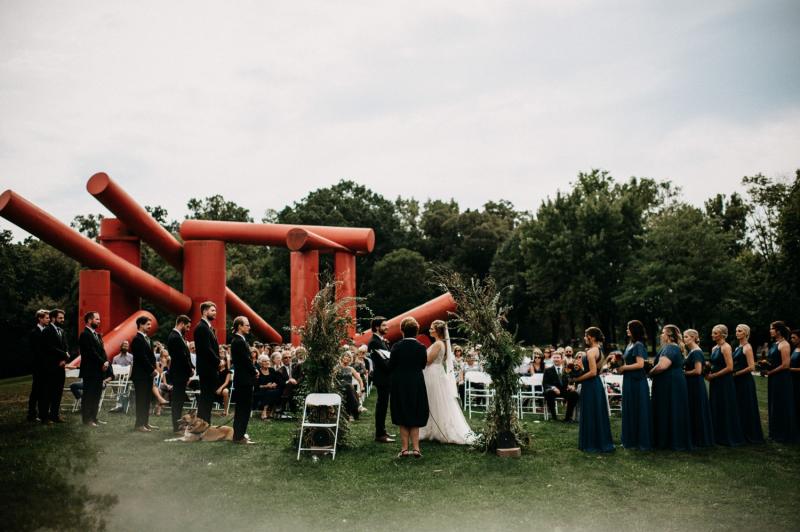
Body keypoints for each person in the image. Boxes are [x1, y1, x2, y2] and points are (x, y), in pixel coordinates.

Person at [419, 320, 475, 445]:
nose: (429, 330)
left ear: (437, 331)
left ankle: (439, 430)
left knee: (434, 401)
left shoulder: (438, 344)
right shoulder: (438, 343)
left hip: (433, 374)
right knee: (433, 401)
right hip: (435, 373)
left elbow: (428, 360)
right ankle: (430, 429)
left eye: (432, 328)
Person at [389, 317, 429, 458]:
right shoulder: (421, 347)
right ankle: (416, 449)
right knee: (415, 412)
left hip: (399, 383)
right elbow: (423, 365)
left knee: (402, 413)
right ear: (417, 331)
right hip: (416, 383)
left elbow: (391, 366)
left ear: (402, 331)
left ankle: (405, 449)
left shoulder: (396, 347)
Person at [649, 324, 692, 451]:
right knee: (669, 408)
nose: (661, 335)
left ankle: (670, 440)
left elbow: (662, 366)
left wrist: (650, 372)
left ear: (669, 335)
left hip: (670, 383)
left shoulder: (670, 348)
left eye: (663, 332)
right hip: (671, 381)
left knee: (669, 407)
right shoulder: (671, 347)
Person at [573, 327, 614, 452]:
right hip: (596, 384)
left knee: (591, 413)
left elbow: (592, 372)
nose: (585, 338)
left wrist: (577, 379)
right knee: (597, 412)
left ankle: (592, 443)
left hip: (591, 384)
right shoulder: (600, 350)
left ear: (592, 337)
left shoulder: (591, 352)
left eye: (586, 336)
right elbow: (599, 370)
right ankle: (600, 441)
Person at [617, 320, 652, 450]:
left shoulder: (638, 345)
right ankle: (629, 439)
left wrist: (624, 368)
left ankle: (640, 440)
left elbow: (640, 364)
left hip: (637, 381)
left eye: (628, 328)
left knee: (638, 408)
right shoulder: (630, 344)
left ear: (634, 330)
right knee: (630, 407)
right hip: (629, 379)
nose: (626, 330)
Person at [706, 324, 744, 446]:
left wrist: (714, 375)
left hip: (724, 381)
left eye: (715, 333)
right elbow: (714, 363)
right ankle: (717, 434)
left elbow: (730, 367)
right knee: (716, 405)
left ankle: (727, 435)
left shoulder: (726, 347)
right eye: (712, 332)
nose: (712, 335)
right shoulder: (714, 348)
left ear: (722, 334)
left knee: (725, 405)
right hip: (715, 381)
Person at [765, 321, 799, 442]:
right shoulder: (775, 344)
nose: (770, 331)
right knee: (774, 403)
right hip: (774, 377)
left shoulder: (784, 344)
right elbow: (775, 361)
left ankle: (783, 434)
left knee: (781, 404)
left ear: (778, 331)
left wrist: (771, 372)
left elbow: (785, 365)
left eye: (771, 328)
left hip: (781, 379)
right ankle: (775, 432)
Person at [732, 324, 764, 444]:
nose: (737, 333)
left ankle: (750, 433)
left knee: (746, 405)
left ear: (746, 333)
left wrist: (736, 373)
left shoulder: (747, 347)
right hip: (737, 380)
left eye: (739, 331)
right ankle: (740, 431)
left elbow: (752, 367)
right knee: (739, 405)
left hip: (744, 381)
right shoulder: (737, 348)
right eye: (736, 331)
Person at [683, 329, 714, 447]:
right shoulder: (692, 351)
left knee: (696, 408)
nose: (684, 339)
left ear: (692, 337)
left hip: (695, 384)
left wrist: (683, 373)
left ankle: (699, 438)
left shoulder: (696, 352)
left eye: (686, 337)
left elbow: (698, 371)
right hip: (691, 383)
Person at [39, 309, 69, 423]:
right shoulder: (47, 331)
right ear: (53, 318)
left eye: (63, 318)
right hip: (50, 367)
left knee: (58, 391)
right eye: (60, 318)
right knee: (47, 392)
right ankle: (44, 417)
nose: (63, 320)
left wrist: (65, 359)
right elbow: (49, 348)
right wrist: (63, 355)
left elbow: (66, 347)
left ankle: (55, 415)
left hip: (61, 367)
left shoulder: (61, 331)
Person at [78, 311, 108, 426]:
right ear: (90, 320)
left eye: (99, 319)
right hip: (90, 370)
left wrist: (106, 362)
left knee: (96, 395)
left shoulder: (97, 335)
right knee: (89, 395)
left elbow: (102, 351)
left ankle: (94, 417)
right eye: (97, 319)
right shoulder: (85, 335)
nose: (99, 321)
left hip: (98, 370)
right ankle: (87, 419)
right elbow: (91, 352)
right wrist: (102, 362)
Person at [368, 316, 394, 443]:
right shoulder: (374, 342)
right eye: (384, 325)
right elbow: (383, 362)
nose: (387, 327)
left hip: (386, 377)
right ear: (377, 327)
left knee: (383, 405)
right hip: (382, 377)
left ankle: (382, 431)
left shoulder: (381, 341)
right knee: (381, 406)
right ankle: (379, 434)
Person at [230, 316, 256, 444]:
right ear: (239, 326)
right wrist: (254, 370)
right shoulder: (239, 341)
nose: (249, 327)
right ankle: (239, 436)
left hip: (242, 379)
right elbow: (246, 360)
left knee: (242, 408)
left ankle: (239, 434)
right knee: (243, 408)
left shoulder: (238, 340)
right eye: (247, 325)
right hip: (244, 379)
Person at [194, 301, 220, 423]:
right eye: (212, 310)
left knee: (208, 397)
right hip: (207, 368)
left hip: (210, 367)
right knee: (206, 397)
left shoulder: (208, 327)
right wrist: (218, 361)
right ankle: (203, 422)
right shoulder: (201, 327)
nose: (215, 313)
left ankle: (204, 422)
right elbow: (206, 349)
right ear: (205, 311)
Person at [167, 315, 193, 433]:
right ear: (181, 323)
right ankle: (176, 427)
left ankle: (178, 425)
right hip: (178, 373)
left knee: (180, 400)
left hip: (181, 373)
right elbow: (181, 357)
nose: (188, 329)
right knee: (177, 401)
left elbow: (186, 355)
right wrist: (190, 370)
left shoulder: (179, 336)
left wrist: (191, 367)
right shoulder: (175, 337)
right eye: (187, 326)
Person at [131, 316, 158, 432]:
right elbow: (141, 358)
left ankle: (145, 423)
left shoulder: (149, 339)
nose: (150, 326)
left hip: (148, 375)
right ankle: (139, 424)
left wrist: (154, 368)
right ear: (141, 325)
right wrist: (152, 370)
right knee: (141, 400)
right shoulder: (137, 339)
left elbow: (151, 357)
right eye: (147, 324)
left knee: (147, 399)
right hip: (140, 375)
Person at [27, 309, 50, 422]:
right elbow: (37, 352)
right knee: (36, 390)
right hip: (38, 367)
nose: (49, 320)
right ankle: (31, 414)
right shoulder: (34, 333)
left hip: (46, 366)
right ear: (40, 319)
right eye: (46, 318)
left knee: (44, 391)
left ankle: (42, 414)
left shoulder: (47, 331)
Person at [542, 351, 578, 422]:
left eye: (558, 357)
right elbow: (545, 383)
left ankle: (568, 418)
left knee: (574, 394)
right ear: (552, 359)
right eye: (554, 357)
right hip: (553, 391)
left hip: (565, 389)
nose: (556, 359)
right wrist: (553, 388)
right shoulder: (548, 370)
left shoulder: (567, 370)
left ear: (561, 359)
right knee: (548, 393)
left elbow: (573, 380)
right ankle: (554, 417)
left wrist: (572, 386)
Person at [254, 355, 284, 420]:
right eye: (264, 361)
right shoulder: (258, 371)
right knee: (270, 392)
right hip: (261, 390)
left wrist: (274, 384)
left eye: (268, 361)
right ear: (260, 363)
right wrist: (266, 386)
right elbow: (256, 385)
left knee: (277, 391)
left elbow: (277, 380)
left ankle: (269, 411)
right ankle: (265, 411)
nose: (267, 362)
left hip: (272, 389)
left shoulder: (272, 370)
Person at [337, 353, 364, 421]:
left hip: (349, 390)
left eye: (349, 357)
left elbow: (360, 380)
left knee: (349, 387)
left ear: (350, 359)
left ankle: (349, 414)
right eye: (346, 356)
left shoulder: (351, 369)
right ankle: (356, 409)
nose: (347, 358)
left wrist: (361, 389)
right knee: (349, 386)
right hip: (339, 388)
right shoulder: (337, 368)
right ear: (342, 357)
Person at [790, 329, 800, 425]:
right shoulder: (794, 349)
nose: (792, 339)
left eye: (794, 337)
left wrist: (790, 369)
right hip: (792, 380)